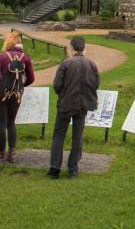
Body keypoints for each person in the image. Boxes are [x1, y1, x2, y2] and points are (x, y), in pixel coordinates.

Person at [48, 35, 99, 179]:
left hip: (66, 104)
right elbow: (96, 84)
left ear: (71, 48)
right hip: (82, 105)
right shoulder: (92, 64)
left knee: (59, 135)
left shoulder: (65, 64)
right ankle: (73, 169)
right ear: (84, 48)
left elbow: (57, 86)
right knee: (77, 136)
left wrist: (64, 93)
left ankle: (54, 169)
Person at [0, 30, 35, 164]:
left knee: (1, 123)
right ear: (19, 44)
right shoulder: (25, 57)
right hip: (17, 94)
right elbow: (31, 78)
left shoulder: (2, 56)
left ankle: (1, 153)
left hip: (1, 93)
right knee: (11, 123)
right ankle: (11, 154)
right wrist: (20, 86)